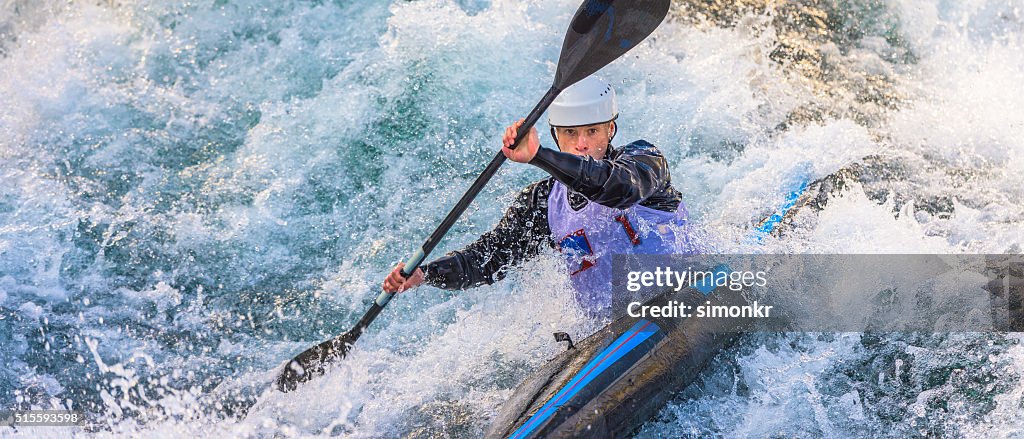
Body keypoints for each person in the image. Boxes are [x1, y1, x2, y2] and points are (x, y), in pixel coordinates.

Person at [382, 76, 692, 314]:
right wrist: (426, 274)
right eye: (570, 133)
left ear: (611, 129)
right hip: (610, 333)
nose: (581, 143)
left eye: (592, 131)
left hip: (689, 291)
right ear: (557, 133)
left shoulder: (644, 160)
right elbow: (490, 258)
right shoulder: (543, 202)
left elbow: (620, 190)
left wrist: (538, 155)